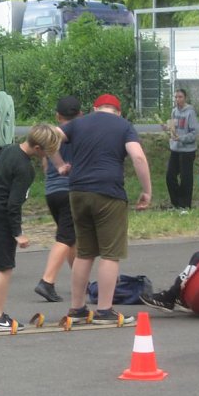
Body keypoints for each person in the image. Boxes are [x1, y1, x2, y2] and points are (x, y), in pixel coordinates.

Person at [50, 94, 152, 326]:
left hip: (77, 192)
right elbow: (137, 156)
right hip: (108, 192)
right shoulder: (124, 126)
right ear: (119, 111)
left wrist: (60, 165)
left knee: (84, 252)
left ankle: (76, 308)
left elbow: (49, 139)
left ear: (95, 108)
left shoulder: (78, 123)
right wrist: (147, 190)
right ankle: (104, 310)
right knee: (110, 253)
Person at [0, 124, 61, 332]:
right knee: (5, 267)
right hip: (0, 216)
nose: (47, 156)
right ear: (37, 148)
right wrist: (18, 233)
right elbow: (13, 204)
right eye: (47, 152)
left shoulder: (9, 149)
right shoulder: (25, 169)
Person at [34, 96, 81, 303]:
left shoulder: (51, 134)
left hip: (51, 191)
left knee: (71, 238)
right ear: (80, 115)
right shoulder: (81, 132)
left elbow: (45, 164)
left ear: (57, 116)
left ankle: (79, 279)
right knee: (65, 238)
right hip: (69, 190)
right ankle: (47, 280)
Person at [162, 88, 198, 210]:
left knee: (185, 178)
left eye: (180, 97)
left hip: (187, 150)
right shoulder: (174, 111)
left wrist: (182, 138)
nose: (178, 99)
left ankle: (185, 204)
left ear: (185, 98)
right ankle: (176, 202)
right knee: (170, 176)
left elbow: (194, 133)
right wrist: (167, 128)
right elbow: (173, 128)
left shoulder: (190, 112)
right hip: (175, 149)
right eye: (176, 97)